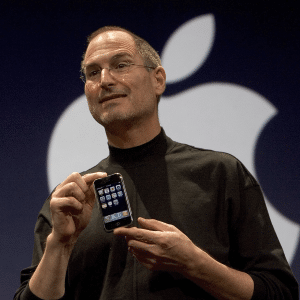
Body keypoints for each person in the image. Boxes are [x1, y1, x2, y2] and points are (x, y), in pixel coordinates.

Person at [14, 26, 298, 300]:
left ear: (158, 80)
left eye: (121, 65)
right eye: (92, 72)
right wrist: (59, 245)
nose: (105, 80)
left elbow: (279, 291)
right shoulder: (70, 203)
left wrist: (195, 263)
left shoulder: (220, 174)